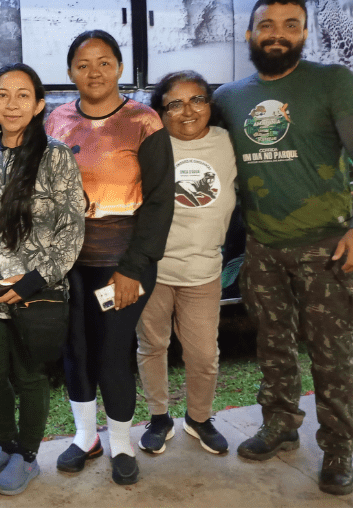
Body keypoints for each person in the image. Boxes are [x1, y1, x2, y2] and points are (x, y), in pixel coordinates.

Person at [214, 0, 353, 496]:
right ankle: (280, 423)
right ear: (250, 33)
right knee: (272, 345)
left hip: (327, 246)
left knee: (331, 355)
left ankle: (338, 446)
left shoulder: (332, 81)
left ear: (305, 32)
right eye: (268, 25)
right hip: (263, 247)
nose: (279, 34)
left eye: (291, 25)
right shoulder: (228, 98)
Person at [45, 30, 174, 485]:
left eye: (104, 62)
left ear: (119, 67)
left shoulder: (144, 121)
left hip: (123, 262)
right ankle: (86, 438)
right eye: (83, 65)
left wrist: (133, 269)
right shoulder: (56, 120)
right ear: (70, 72)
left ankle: (120, 442)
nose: (94, 72)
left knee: (112, 351)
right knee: (75, 350)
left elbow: (160, 202)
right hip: (67, 264)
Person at [0, 63, 85, 495]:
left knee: (29, 377)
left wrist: (32, 281)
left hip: (34, 293)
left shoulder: (56, 156)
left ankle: (26, 456)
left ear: (39, 104)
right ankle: (5, 445)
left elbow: (72, 230)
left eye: (23, 95)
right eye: (2, 95)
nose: (12, 104)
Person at [135, 71, 237, 456]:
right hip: (154, 272)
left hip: (203, 273)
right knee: (152, 346)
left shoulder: (228, 142)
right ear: (161, 112)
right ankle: (159, 418)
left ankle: (199, 418)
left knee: (203, 355)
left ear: (210, 104)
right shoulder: (149, 145)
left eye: (197, 99)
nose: (188, 110)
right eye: (175, 104)